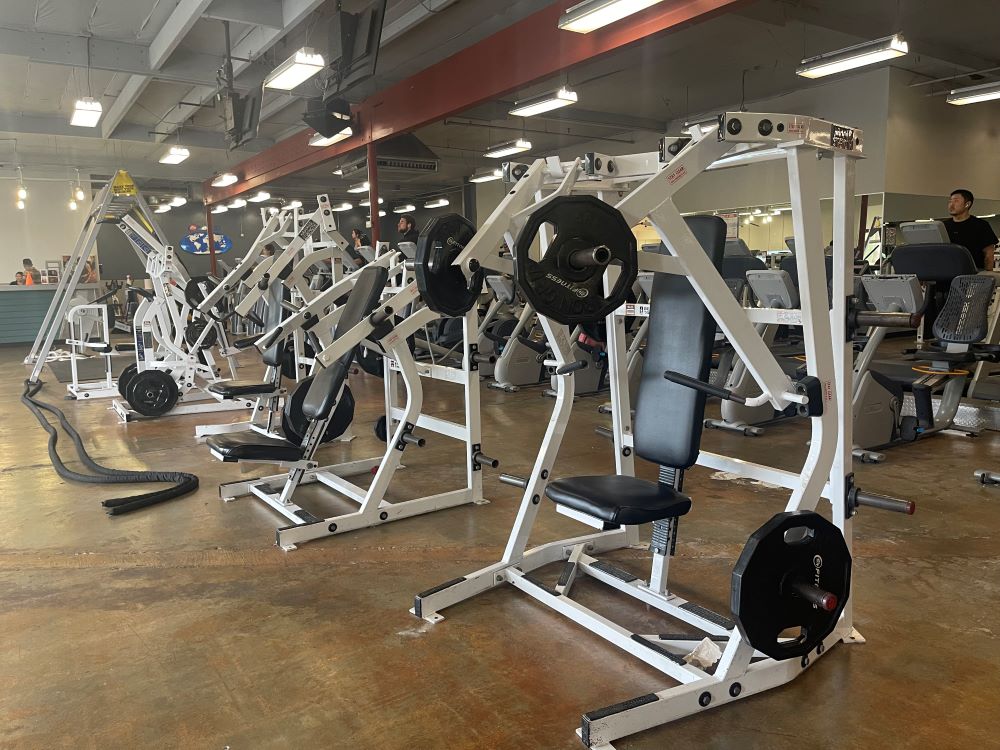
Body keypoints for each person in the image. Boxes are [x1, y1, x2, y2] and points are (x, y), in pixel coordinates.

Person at [944, 189, 998, 270]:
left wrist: (987, 273)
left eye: (956, 201)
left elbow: (989, 253)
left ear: (967, 204)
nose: (951, 205)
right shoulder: (943, 226)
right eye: (950, 201)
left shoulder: (981, 225)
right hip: (948, 272)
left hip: (974, 273)